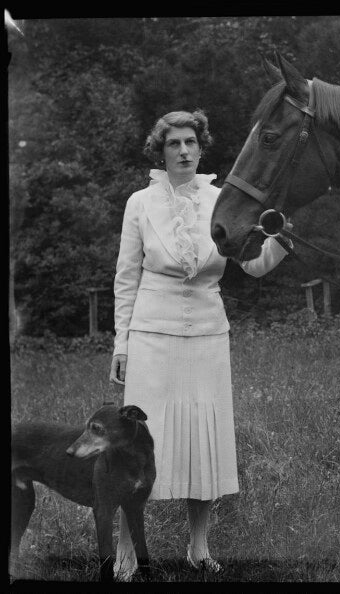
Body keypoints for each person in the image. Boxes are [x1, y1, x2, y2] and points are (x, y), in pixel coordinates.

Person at [109, 109, 289, 579]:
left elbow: (252, 265)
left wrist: (282, 238)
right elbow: (126, 279)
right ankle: (128, 551)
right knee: (138, 447)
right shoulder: (139, 203)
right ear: (160, 151)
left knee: (203, 442)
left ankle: (198, 546)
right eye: (174, 144)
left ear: (201, 147)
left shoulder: (221, 201)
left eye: (191, 142)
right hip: (150, 337)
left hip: (208, 335)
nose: (184, 151)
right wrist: (121, 346)